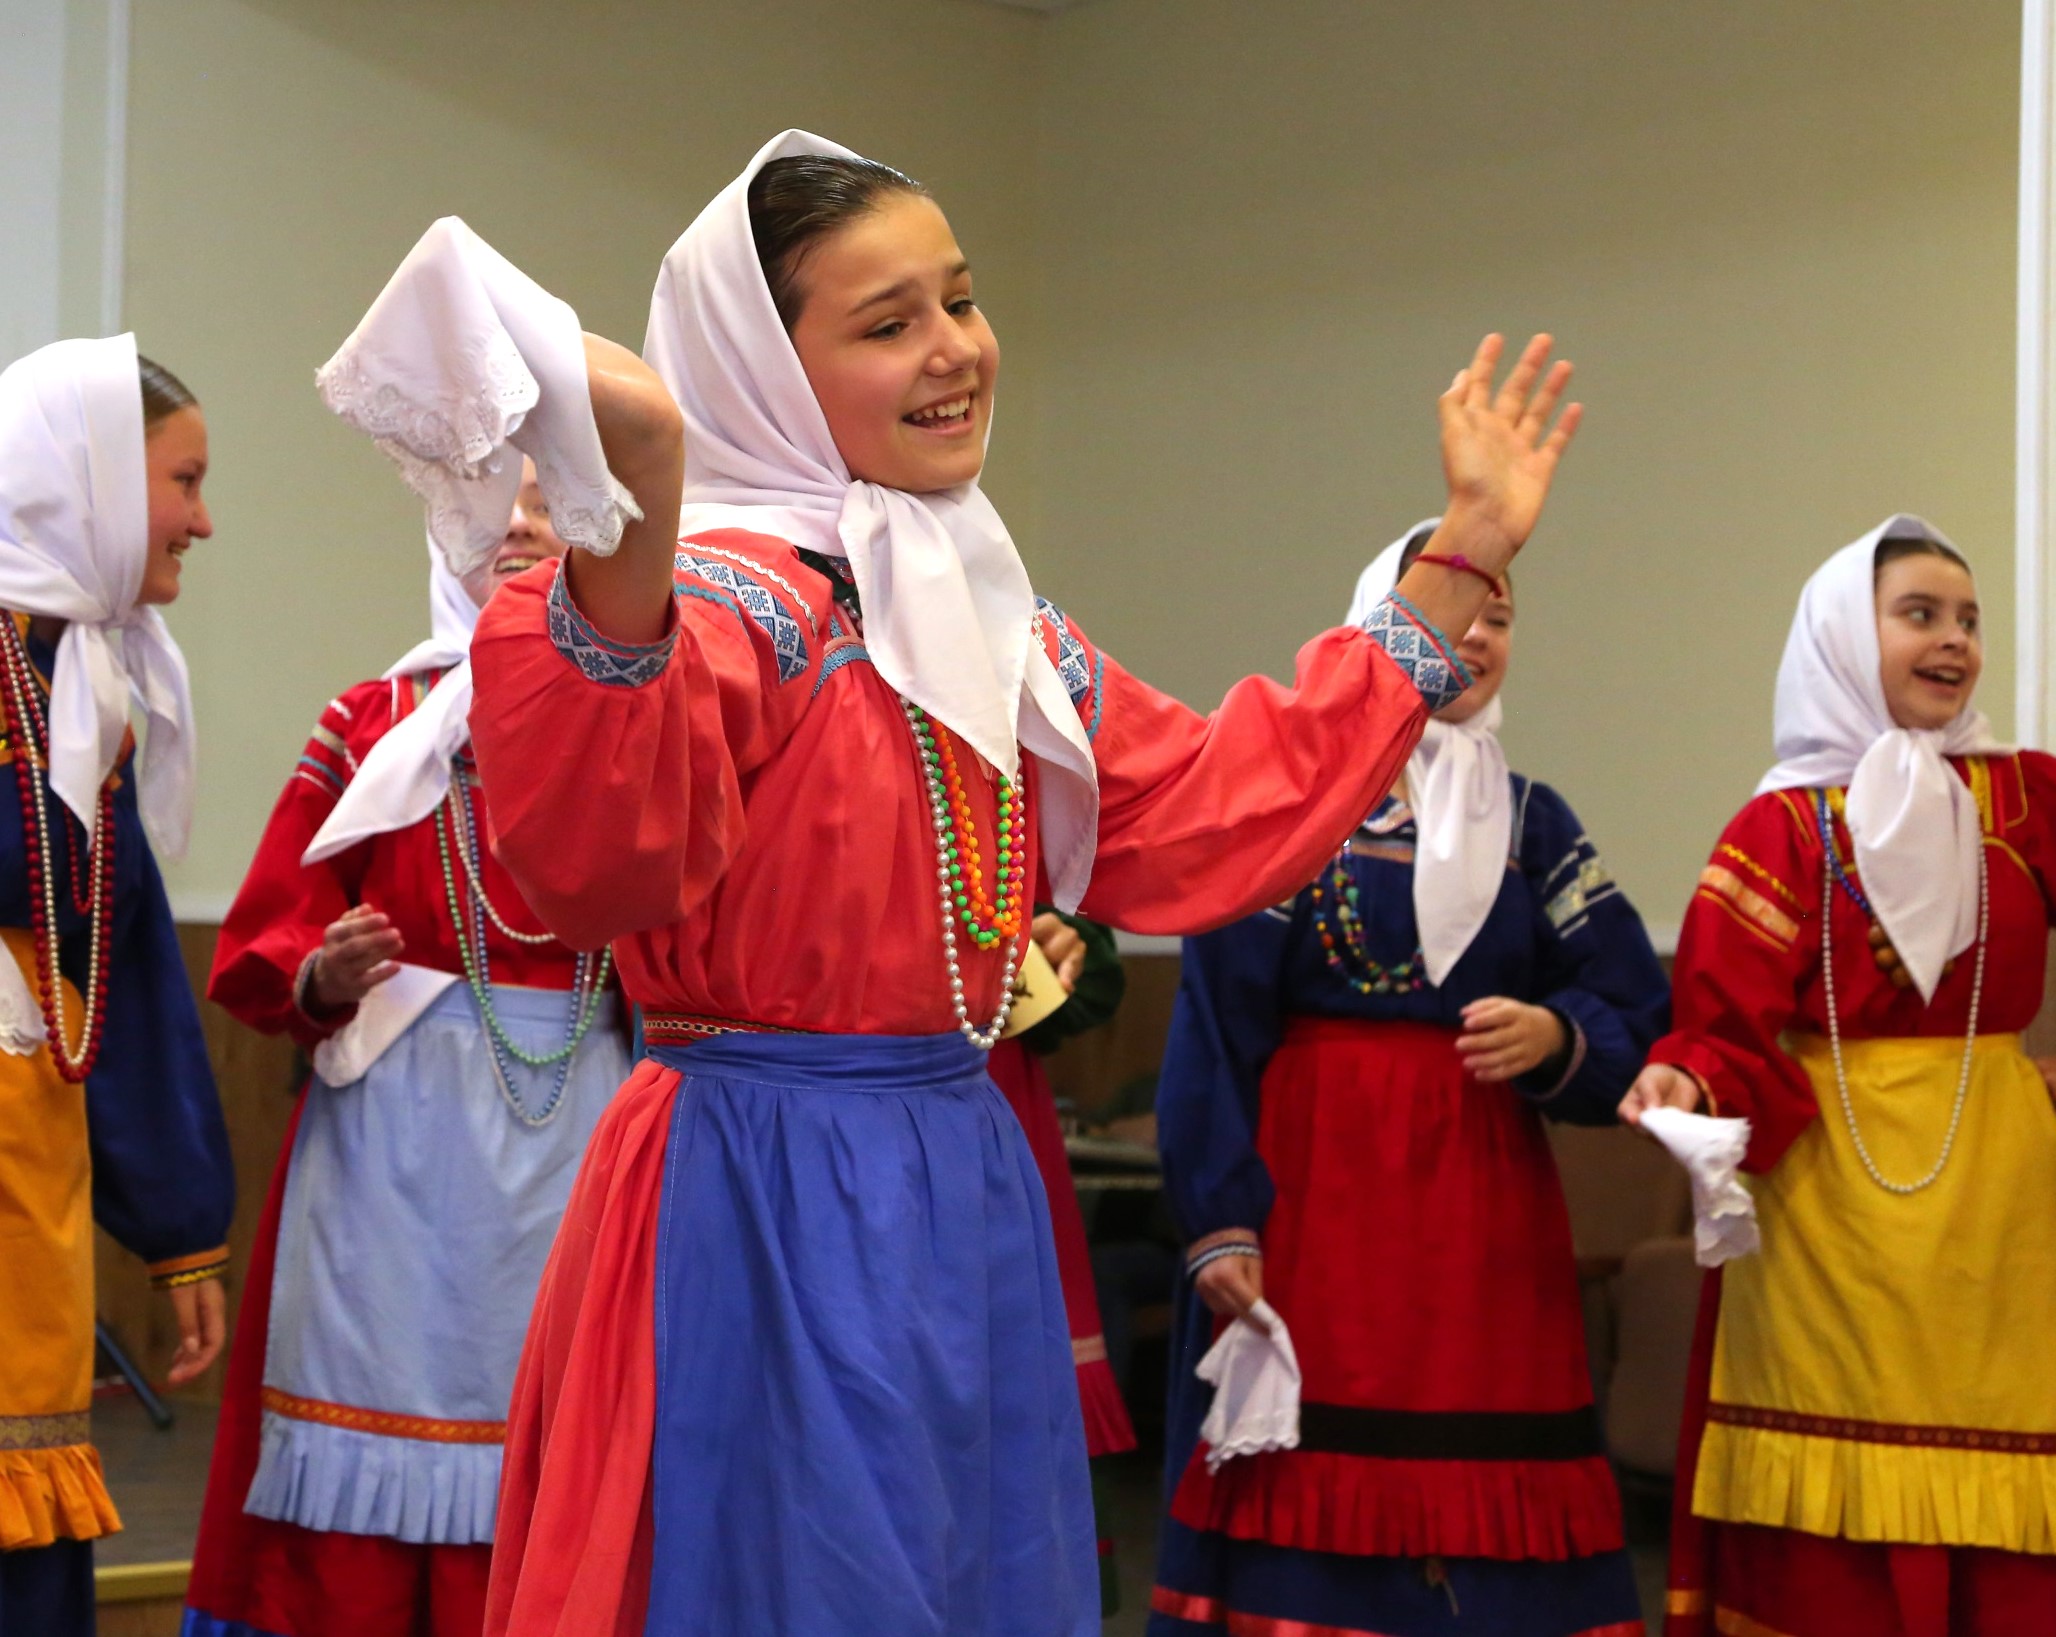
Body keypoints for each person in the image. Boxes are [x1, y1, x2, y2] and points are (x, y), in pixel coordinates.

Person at [319, 129, 1579, 1636]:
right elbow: (602, 848)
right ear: (769, 372)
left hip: (960, 1171)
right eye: (887, 323)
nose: (954, 350)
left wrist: (1459, 555)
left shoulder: (987, 620)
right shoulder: (737, 599)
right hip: (762, 1187)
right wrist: (635, 510)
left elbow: (1208, 805)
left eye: (961, 301)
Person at [1148, 522, 1665, 1637]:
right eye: (1456, 608)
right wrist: (1220, 1218)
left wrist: (1556, 1035)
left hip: (1483, 1215)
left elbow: (1632, 1002)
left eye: (1501, 615)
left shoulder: (1534, 823)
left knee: (1487, 1465)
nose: (1476, 636)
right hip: (1316, 1201)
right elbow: (1216, 1026)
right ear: (1385, 622)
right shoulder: (1296, 799)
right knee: (1311, 1460)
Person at [1621, 517, 2056, 1637]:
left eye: (1969, 620)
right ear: (1848, 636)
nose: (1954, 640)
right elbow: (1721, 1021)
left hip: (1996, 1199)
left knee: (2002, 1484)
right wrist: (1684, 1083)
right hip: (1827, 1208)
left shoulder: (2031, 800)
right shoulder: (1783, 826)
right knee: (1833, 1532)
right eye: (1920, 614)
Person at [181, 462, 631, 1637]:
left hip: (582, 1122)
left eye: (552, 499)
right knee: (368, 1423)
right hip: (395, 1144)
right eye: (493, 501)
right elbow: (269, 933)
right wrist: (320, 973)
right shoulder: (375, 721)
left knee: (561, 1428)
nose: (520, 524)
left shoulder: (643, 722)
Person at [0, 335, 233, 1636]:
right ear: (86, 477)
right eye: (182, 480)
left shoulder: (80, 689)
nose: (203, 519)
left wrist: (178, 1223)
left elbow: (127, 969)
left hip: (26, 1176)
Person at [988, 907, 1135, 1612]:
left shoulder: (1015, 838)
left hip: (990, 1105)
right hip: (812, 1097)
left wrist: (1053, 945)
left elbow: (1092, 987)